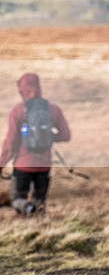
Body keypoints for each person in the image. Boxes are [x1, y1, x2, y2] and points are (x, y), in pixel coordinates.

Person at [0, 73, 71, 216]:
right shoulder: (53, 109)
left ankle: (27, 208)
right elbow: (66, 135)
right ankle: (39, 228)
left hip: (22, 165)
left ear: (21, 89)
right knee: (40, 202)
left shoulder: (17, 111)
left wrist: (2, 163)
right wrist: (48, 137)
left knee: (17, 199)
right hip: (44, 165)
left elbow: (11, 141)